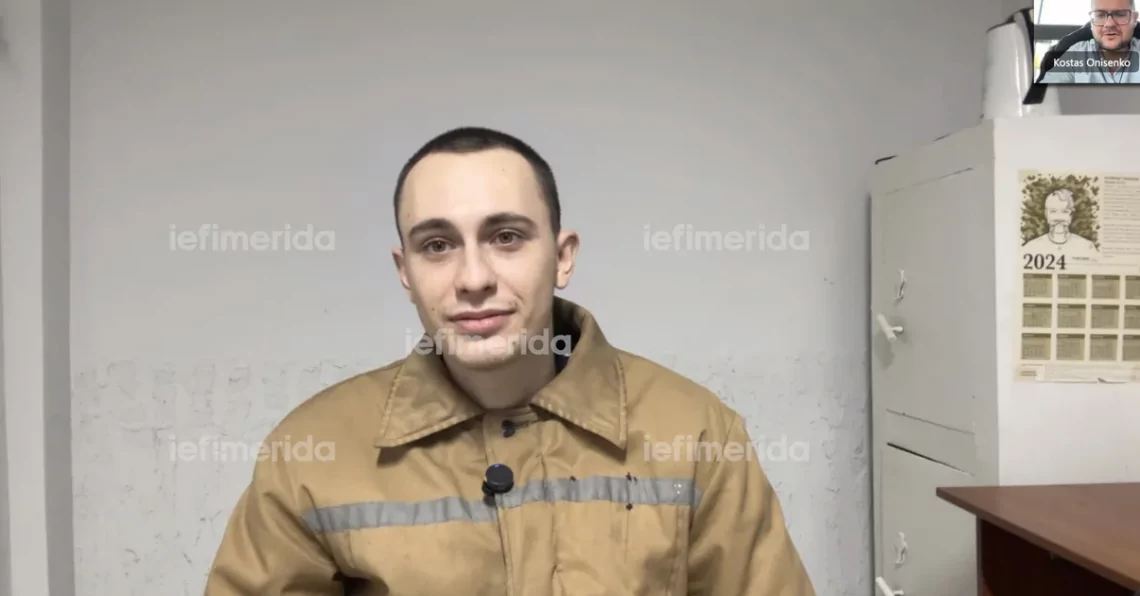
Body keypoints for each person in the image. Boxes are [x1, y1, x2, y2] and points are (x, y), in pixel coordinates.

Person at [204, 126, 816, 595]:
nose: (473, 278)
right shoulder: (310, 454)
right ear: (405, 272)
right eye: (437, 245)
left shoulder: (699, 436)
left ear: (563, 256)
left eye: (506, 237)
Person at [1040, 0, 1140, 84]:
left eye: (1120, 14)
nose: (1109, 24)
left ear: (1135, 19)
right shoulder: (1076, 54)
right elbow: (1046, 97)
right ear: (1091, 22)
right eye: (1100, 15)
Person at [1022, 189, 1099, 259]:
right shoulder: (1031, 247)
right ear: (1046, 214)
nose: (1059, 218)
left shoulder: (1087, 247)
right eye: (1053, 211)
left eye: (1065, 212)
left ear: (1071, 215)